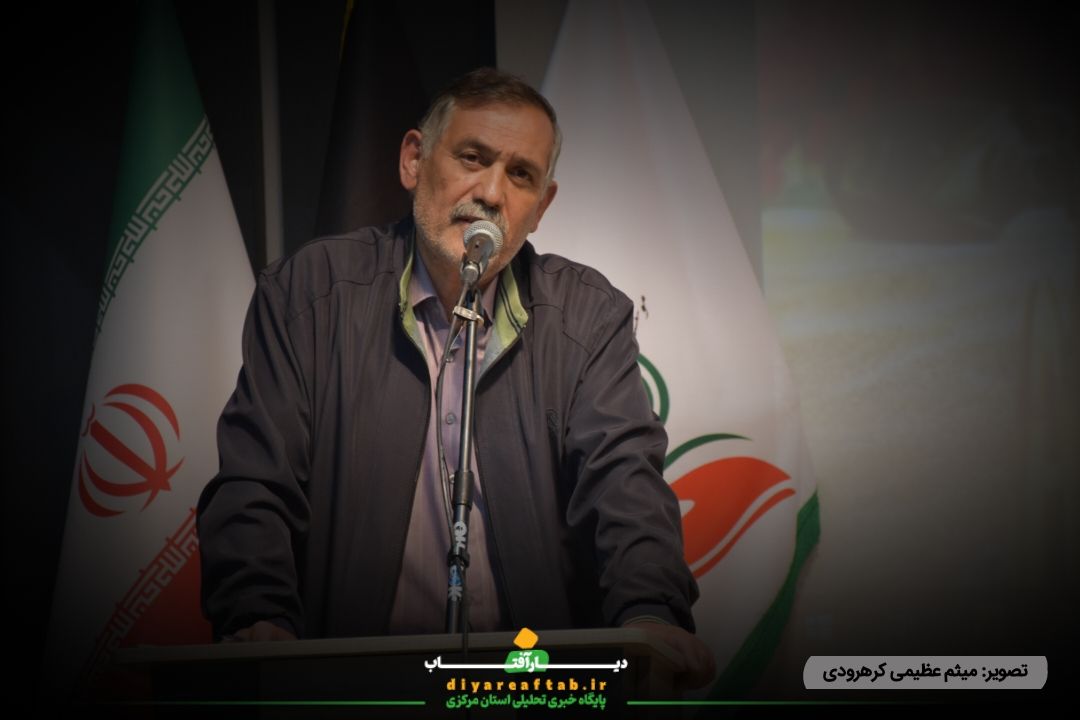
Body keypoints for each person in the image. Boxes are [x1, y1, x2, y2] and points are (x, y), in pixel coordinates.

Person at [197, 68, 715, 687]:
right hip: (354, 685)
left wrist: (650, 613)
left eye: (520, 175)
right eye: (472, 158)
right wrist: (257, 615)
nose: (492, 193)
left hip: (528, 683)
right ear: (414, 160)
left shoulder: (588, 316)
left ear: (542, 206)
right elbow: (256, 480)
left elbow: (625, 483)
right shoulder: (308, 294)